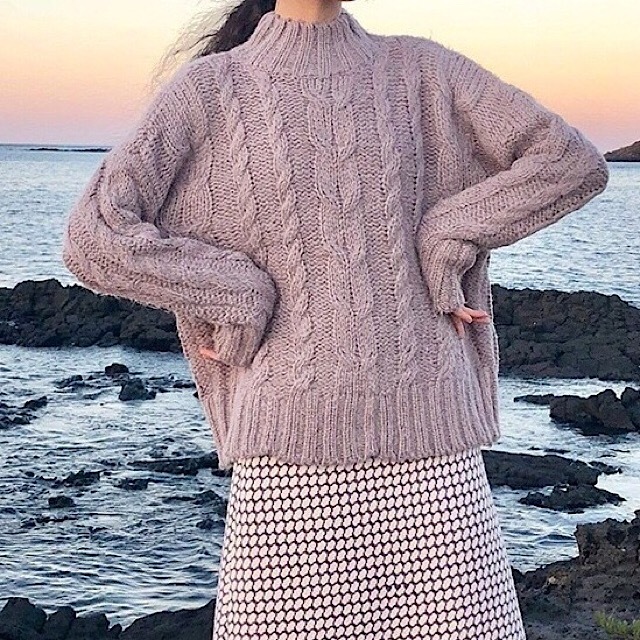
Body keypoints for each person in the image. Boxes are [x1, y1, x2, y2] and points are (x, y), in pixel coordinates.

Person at [61, 0, 609, 637]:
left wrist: (450, 233)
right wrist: (233, 290)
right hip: (286, 476)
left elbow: (569, 162)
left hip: (434, 462)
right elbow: (94, 236)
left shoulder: (422, 69)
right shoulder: (208, 90)